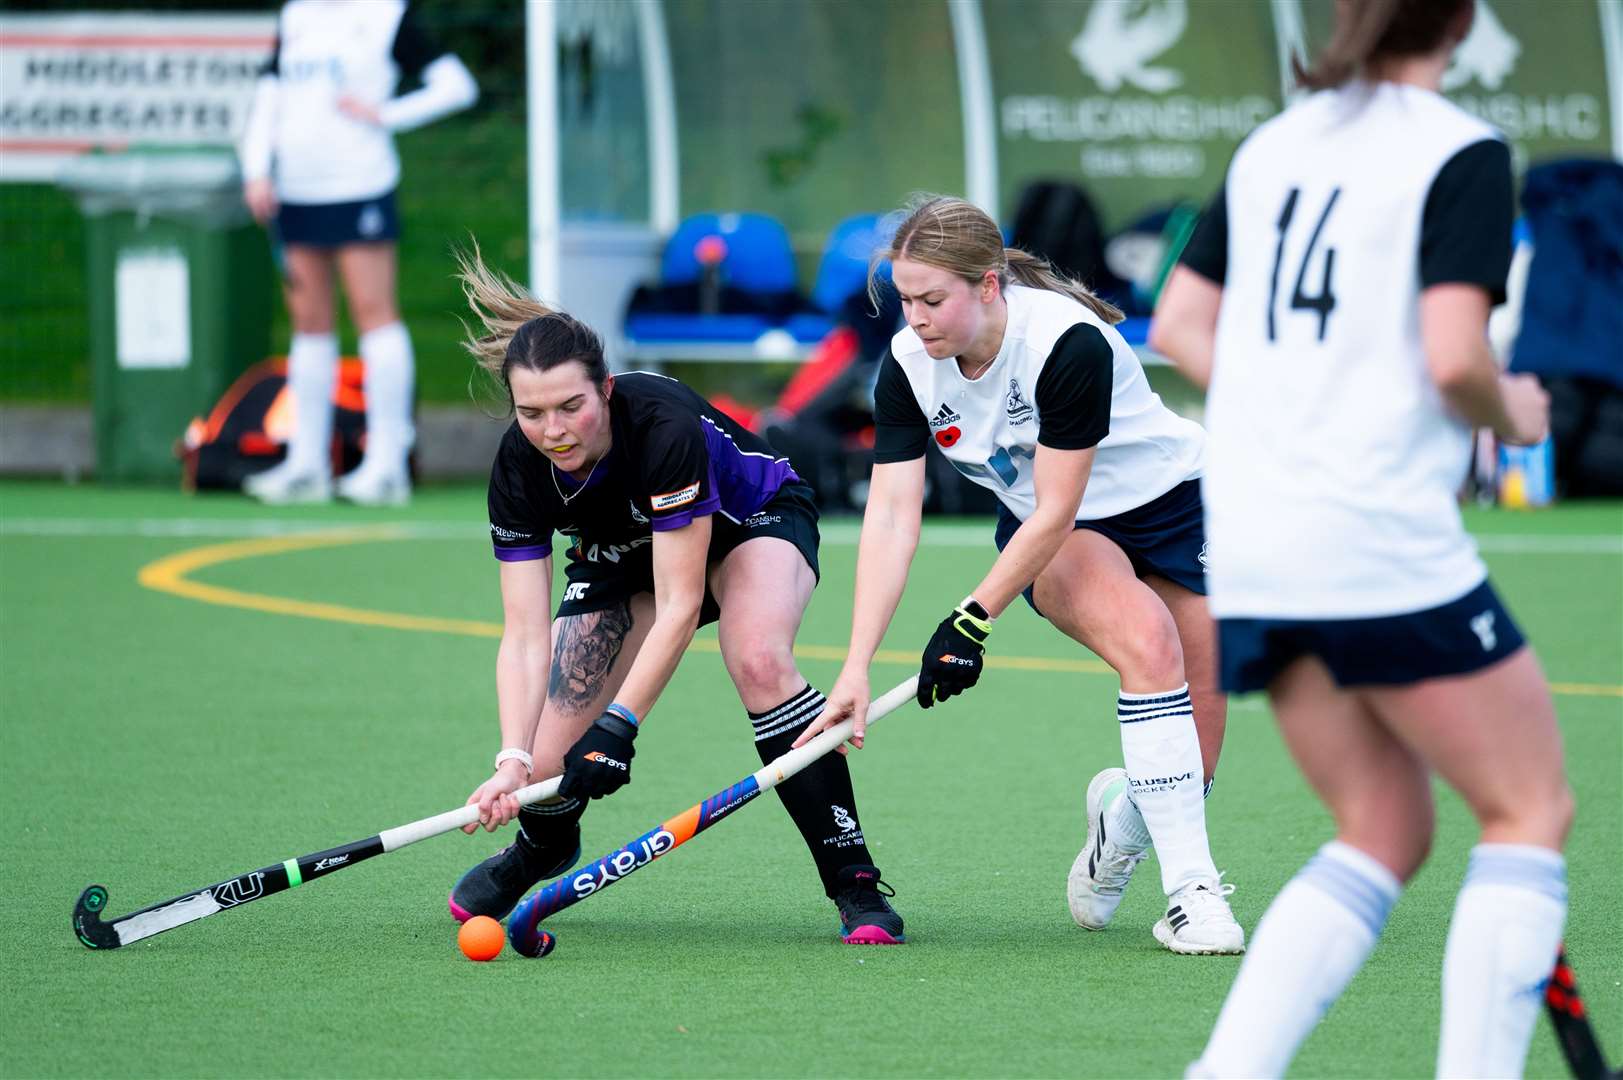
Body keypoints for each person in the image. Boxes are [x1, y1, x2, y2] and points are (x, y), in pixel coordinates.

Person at [1149, 0, 1574, 1073]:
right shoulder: (1462, 152)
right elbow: (1453, 358)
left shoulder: (1274, 144)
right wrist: (1515, 412)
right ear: (1463, 18)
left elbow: (1180, 327)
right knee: (1528, 809)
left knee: (1385, 827)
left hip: (1255, 534)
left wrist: (1301, 399)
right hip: (1376, 532)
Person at [794, 195, 1244, 955]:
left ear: (990, 285)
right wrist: (855, 665)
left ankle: (1124, 817)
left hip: (1171, 506)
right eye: (905, 300)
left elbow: (1059, 503)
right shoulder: (907, 365)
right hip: (1062, 533)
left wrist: (970, 620)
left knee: (1192, 755)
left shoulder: (1064, 344)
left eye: (932, 300)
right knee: (1149, 646)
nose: (916, 319)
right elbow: (894, 517)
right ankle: (1191, 895)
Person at [446, 248, 905, 945]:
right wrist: (511, 760)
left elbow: (680, 602)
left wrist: (620, 727)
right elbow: (524, 634)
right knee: (545, 763)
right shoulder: (518, 464)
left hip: (749, 523)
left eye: (571, 406)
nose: (555, 431)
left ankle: (854, 881)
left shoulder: (659, 425)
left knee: (756, 657)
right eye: (533, 414)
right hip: (623, 556)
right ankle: (542, 848)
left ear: (604, 390)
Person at [237, 0, 479, 506]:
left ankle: (387, 466)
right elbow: (269, 96)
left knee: (375, 315)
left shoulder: (387, 15)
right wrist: (257, 169)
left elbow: (457, 86)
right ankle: (307, 466)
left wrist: (386, 114)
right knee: (309, 323)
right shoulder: (296, 16)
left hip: (359, 184)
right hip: (295, 190)